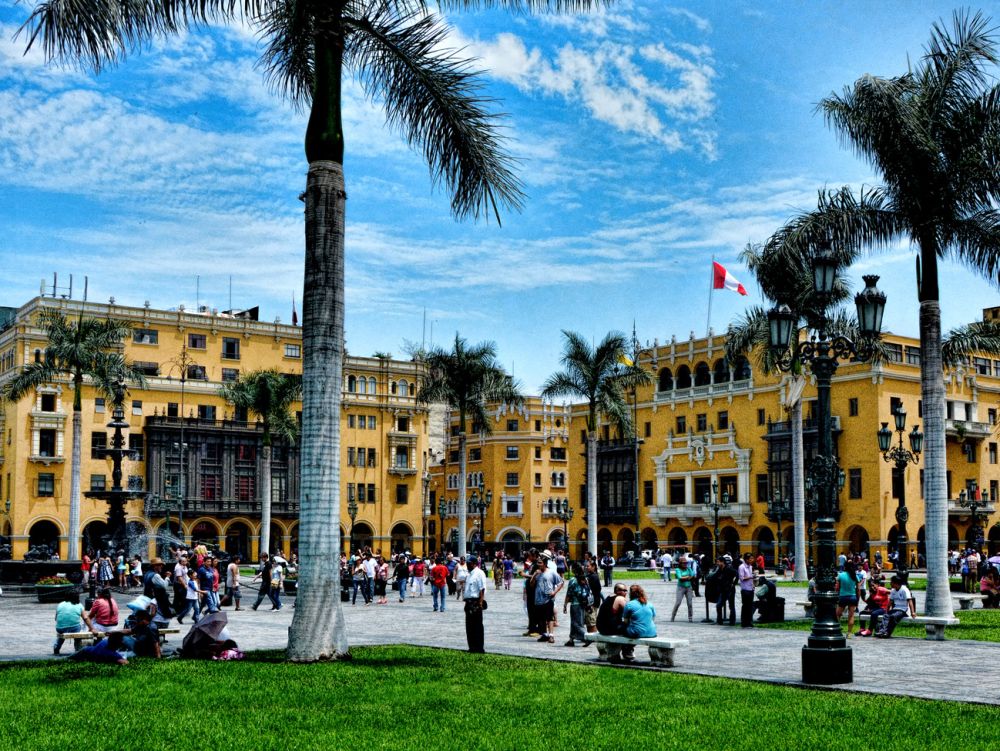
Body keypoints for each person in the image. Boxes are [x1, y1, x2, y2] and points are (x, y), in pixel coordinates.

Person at [596, 583, 632, 662]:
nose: (626, 592)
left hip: (601, 627)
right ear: (618, 591)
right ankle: (627, 650)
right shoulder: (620, 598)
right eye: (624, 590)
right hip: (610, 628)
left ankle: (623, 650)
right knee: (634, 630)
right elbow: (630, 611)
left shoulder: (610, 597)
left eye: (626, 590)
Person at [534, 556, 565, 643]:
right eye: (538, 562)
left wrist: (554, 592)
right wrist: (535, 574)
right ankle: (544, 634)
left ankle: (551, 635)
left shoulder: (551, 572)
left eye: (540, 563)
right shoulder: (538, 573)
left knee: (549, 617)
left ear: (544, 564)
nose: (538, 564)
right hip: (538, 599)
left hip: (548, 599)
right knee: (541, 618)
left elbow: (561, 582)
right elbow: (532, 584)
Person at [562, 563, 592, 647]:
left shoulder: (573, 580)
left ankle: (587, 638)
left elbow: (569, 593)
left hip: (575, 604)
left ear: (574, 570)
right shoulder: (585, 578)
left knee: (577, 624)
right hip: (583, 603)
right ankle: (571, 639)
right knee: (576, 622)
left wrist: (565, 605)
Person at [463, 555, 488, 653]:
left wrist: (480, 603)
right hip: (468, 602)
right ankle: (472, 647)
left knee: (477, 625)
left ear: (473, 564)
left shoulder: (479, 573)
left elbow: (482, 589)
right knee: (469, 626)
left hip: (476, 602)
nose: (467, 565)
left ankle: (479, 648)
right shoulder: (469, 574)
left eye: (469, 564)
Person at [835, 561, 861, 637]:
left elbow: (837, 588)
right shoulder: (855, 576)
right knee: (851, 615)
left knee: (837, 614)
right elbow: (858, 590)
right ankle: (849, 633)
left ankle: (837, 629)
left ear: (844, 567)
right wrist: (857, 600)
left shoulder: (841, 575)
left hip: (843, 596)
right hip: (852, 597)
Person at [671, 555, 695, 622]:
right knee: (678, 602)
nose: (685, 564)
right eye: (683, 563)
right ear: (680, 563)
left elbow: (692, 575)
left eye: (686, 563)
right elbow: (680, 577)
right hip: (680, 588)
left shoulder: (688, 568)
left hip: (689, 587)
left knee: (690, 603)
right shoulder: (678, 569)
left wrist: (686, 577)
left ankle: (690, 617)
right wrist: (688, 577)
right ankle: (673, 616)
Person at [738, 553, 755, 628]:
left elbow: (751, 577)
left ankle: (749, 622)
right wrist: (751, 577)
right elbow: (742, 578)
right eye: (750, 559)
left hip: (751, 589)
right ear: (746, 559)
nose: (752, 560)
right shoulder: (741, 567)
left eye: (752, 558)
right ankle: (744, 622)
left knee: (750, 606)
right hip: (745, 589)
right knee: (745, 606)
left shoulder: (750, 567)